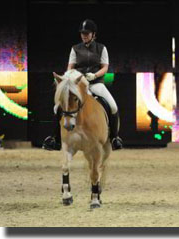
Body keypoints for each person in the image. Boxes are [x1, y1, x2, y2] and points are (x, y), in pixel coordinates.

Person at [42, 19, 123, 151]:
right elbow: (70, 67)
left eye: (87, 33)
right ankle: (54, 139)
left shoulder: (102, 48)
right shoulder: (75, 49)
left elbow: (105, 67)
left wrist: (95, 75)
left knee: (113, 106)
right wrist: (66, 77)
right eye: (82, 33)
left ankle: (114, 138)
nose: (84, 35)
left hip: (95, 83)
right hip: (78, 84)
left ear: (93, 34)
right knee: (57, 108)